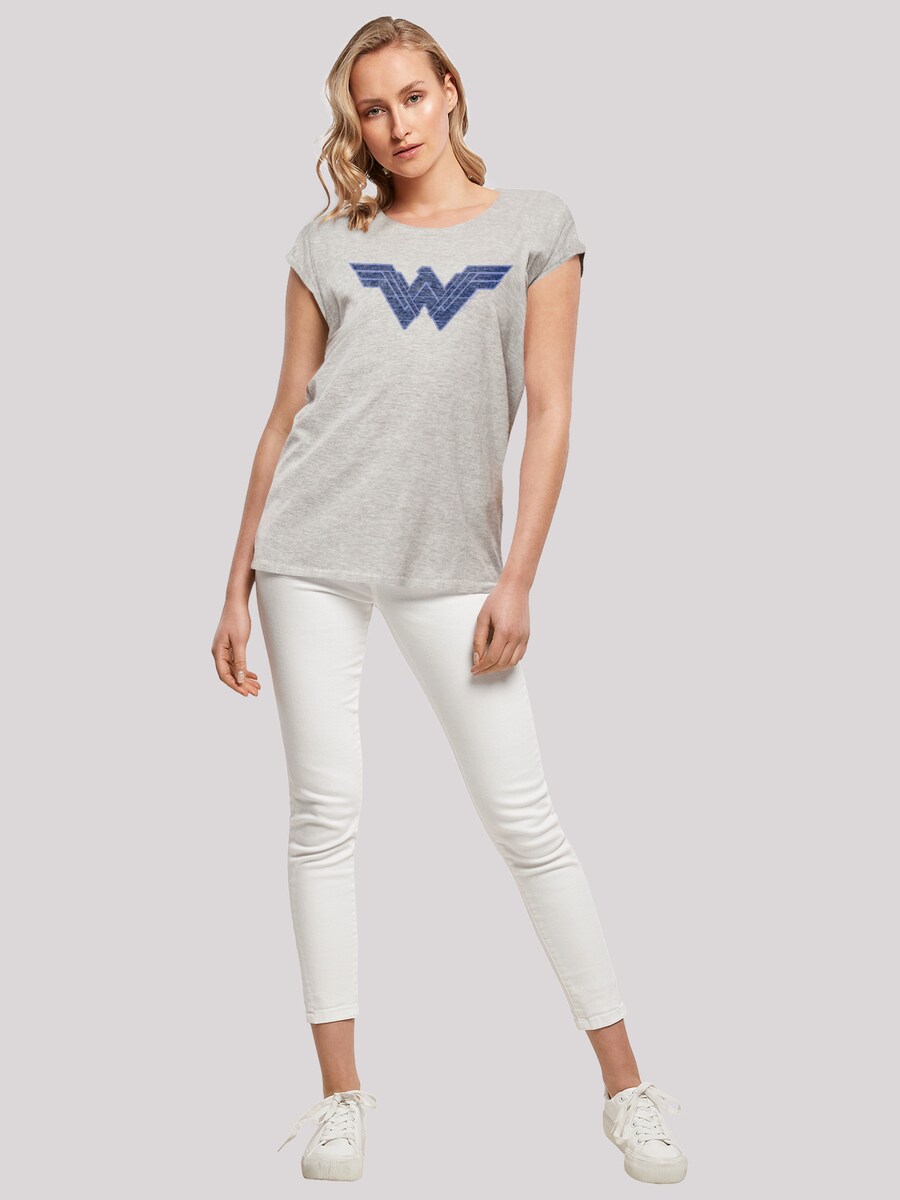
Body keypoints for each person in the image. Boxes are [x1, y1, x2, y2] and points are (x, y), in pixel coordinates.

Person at [211, 15, 687, 1187]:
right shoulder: (328, 242)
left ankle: (627, 1090)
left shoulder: (537, 226)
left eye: (412, 98)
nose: (395, 125)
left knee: (526, 822)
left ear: (451, 91)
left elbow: (553, 410)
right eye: (371, 109)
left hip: (455, 561)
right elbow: (283, 415)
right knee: (324, 814)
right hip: (310, 550)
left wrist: (518, 576)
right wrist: (235, 583)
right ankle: (341, 1100)